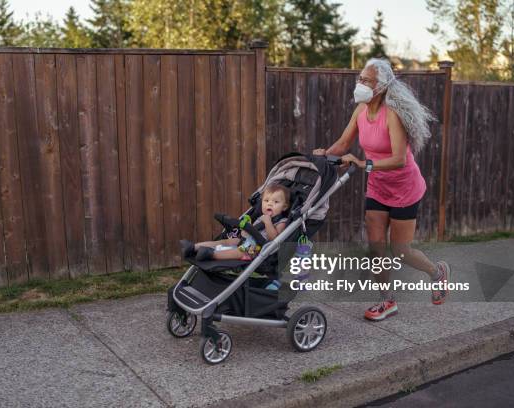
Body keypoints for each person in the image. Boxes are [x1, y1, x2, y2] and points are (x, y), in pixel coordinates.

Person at [313, 58, 451, 321]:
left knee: (400, 250)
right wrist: (324, 155)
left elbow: (399, 158)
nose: (360, 84)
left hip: (404, 188)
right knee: (376, 248)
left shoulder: (392, 115)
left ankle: (437, 273)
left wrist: (362, 163)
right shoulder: (361, 111)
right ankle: (387, 301)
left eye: (366, 80)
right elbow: (344, 142)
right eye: (360, 78)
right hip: (378, 186)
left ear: (381, 86)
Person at [180, 183, 290, 290]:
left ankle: (211, 254)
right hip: (247, 240)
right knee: (227, 241)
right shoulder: (260, 217)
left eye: (275, 202)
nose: (269, 204)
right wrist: (245, 231)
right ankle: (194, 247)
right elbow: (250, 232)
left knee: (241, 251)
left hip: (259, 249)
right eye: (266, 201)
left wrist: (268, 223)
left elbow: (274, 239)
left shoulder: (281, 221)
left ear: (284, 207)